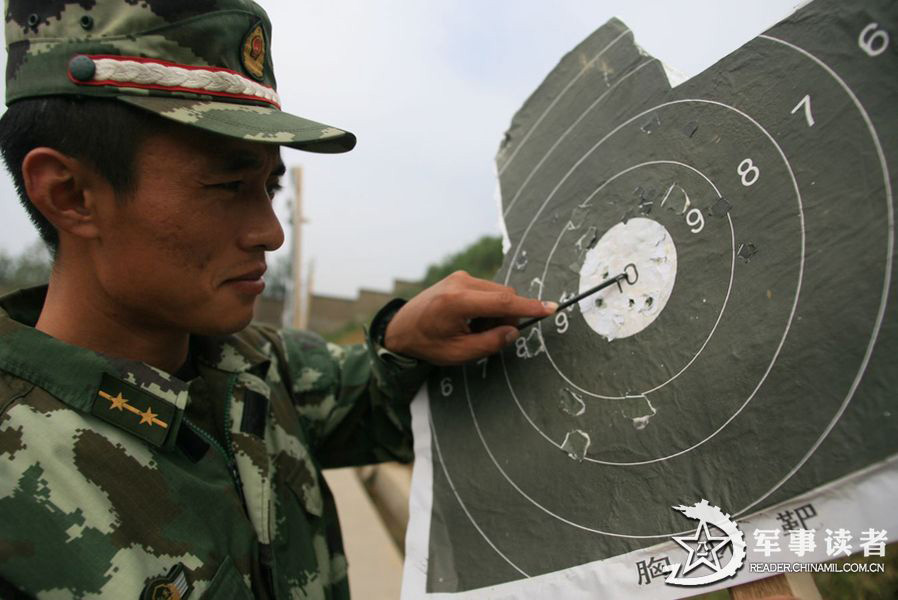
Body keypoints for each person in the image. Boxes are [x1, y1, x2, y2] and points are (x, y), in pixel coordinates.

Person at [0, 1, 556, 598]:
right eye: (229, 186)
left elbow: (375, 395)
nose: (271, 232)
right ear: (71, 194)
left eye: (269, 187)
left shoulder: (259, 369)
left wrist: (403, 341)